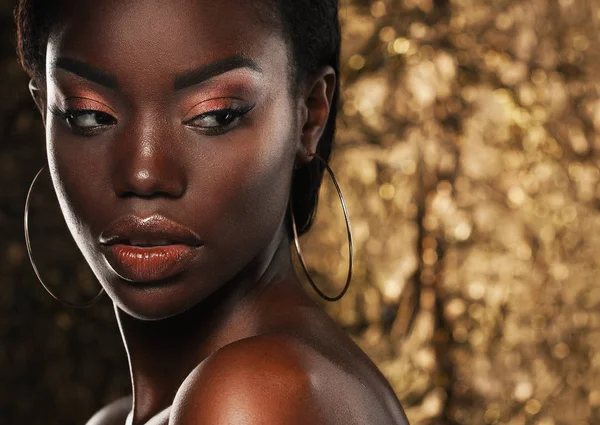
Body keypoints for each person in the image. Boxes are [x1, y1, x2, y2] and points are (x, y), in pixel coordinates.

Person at [15, 0, 411, 424]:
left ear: (310, 115)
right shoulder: (115, 419)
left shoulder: (255, 396)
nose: (144, 173)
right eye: (89, 115)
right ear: (45, 111)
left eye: (215, 115)